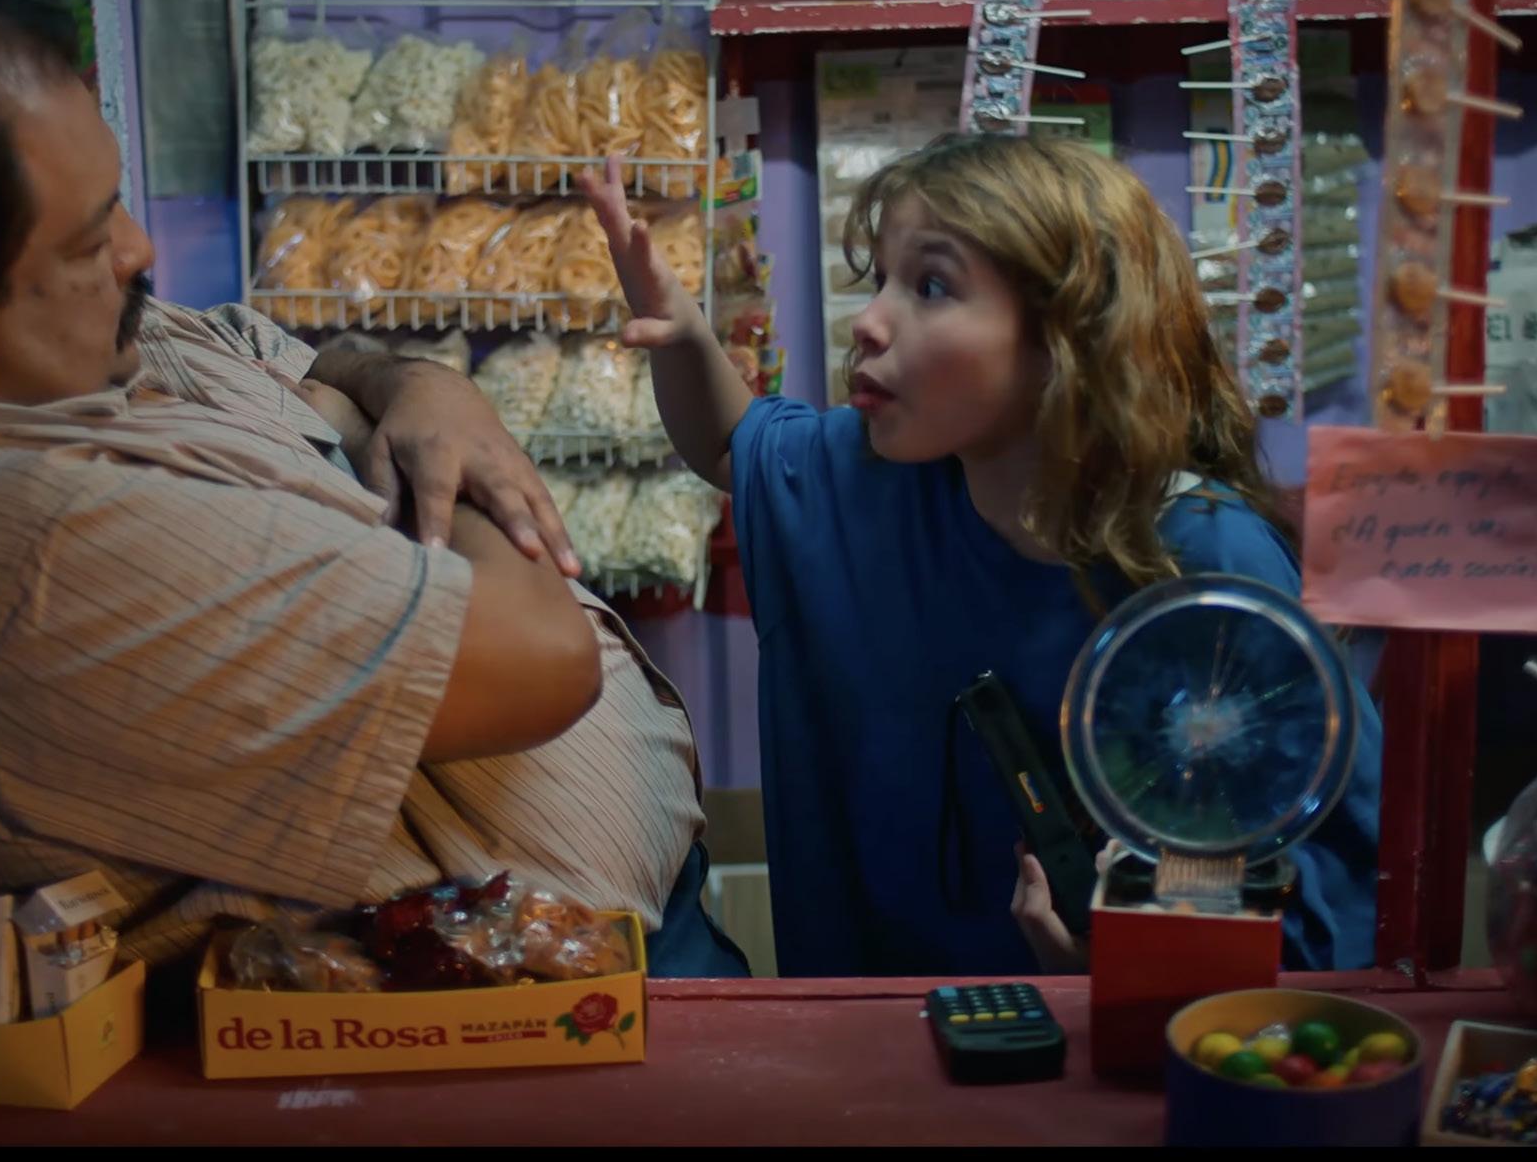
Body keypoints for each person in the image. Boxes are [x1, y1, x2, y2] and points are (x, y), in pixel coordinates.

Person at [0, 0, 747, 978]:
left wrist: (418, 386)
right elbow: (539, 659)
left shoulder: (63, 349)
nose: (138, 248)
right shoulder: (11, 537)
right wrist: (453, 457)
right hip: (494, 1012)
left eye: (117, 202)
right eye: (90, 238)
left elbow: (290, 358)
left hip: (606, 943)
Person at [577, 135, 1382, 978]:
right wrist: (684, 335)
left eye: (931, 286)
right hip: (882, 1038)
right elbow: (729, 443)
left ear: (1071, 337)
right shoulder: (870, 475)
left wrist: (1137, 959)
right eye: (878, 279)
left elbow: (1330, 879)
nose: (869, 322)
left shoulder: (1208, 562)